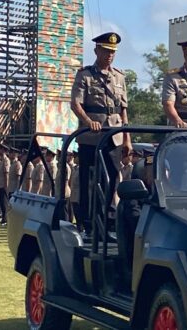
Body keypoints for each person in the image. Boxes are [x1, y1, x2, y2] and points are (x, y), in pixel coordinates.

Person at [71, 32, 131, 235]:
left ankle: (109, 222)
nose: (109, 55)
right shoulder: (85, 75)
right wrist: (88, 122)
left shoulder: (119, 77)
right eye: (106, 50)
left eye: (112, 52)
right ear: (96, 50)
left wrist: (127, 138)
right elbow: (76, 104)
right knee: (89, 181)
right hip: (90, 137)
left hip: (113, 135)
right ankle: (88, 224)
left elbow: (123, 110)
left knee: (112, 179)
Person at [0, 144, 11, 225]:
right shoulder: (2, 160)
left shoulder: (6, 160)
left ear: (3, 150)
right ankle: (3, 218)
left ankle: (5, 219)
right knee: (2, 202)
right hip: (1, 184)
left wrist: (6, 185)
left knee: (5, 202)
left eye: (0, 149)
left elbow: (6, 174)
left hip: (4, 185)